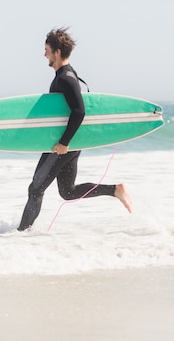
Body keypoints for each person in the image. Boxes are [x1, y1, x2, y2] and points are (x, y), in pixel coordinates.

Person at [17, 28, 133, 231]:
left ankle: (20, 234)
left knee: (35, 188)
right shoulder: (66, 75)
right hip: (70, 142)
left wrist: (64, 143)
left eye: (47, 50)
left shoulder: (66, 79)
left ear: (58, 52)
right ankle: (115, 190)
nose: (44, 54)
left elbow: (79, 111)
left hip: (63, 145)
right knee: (68, 191)